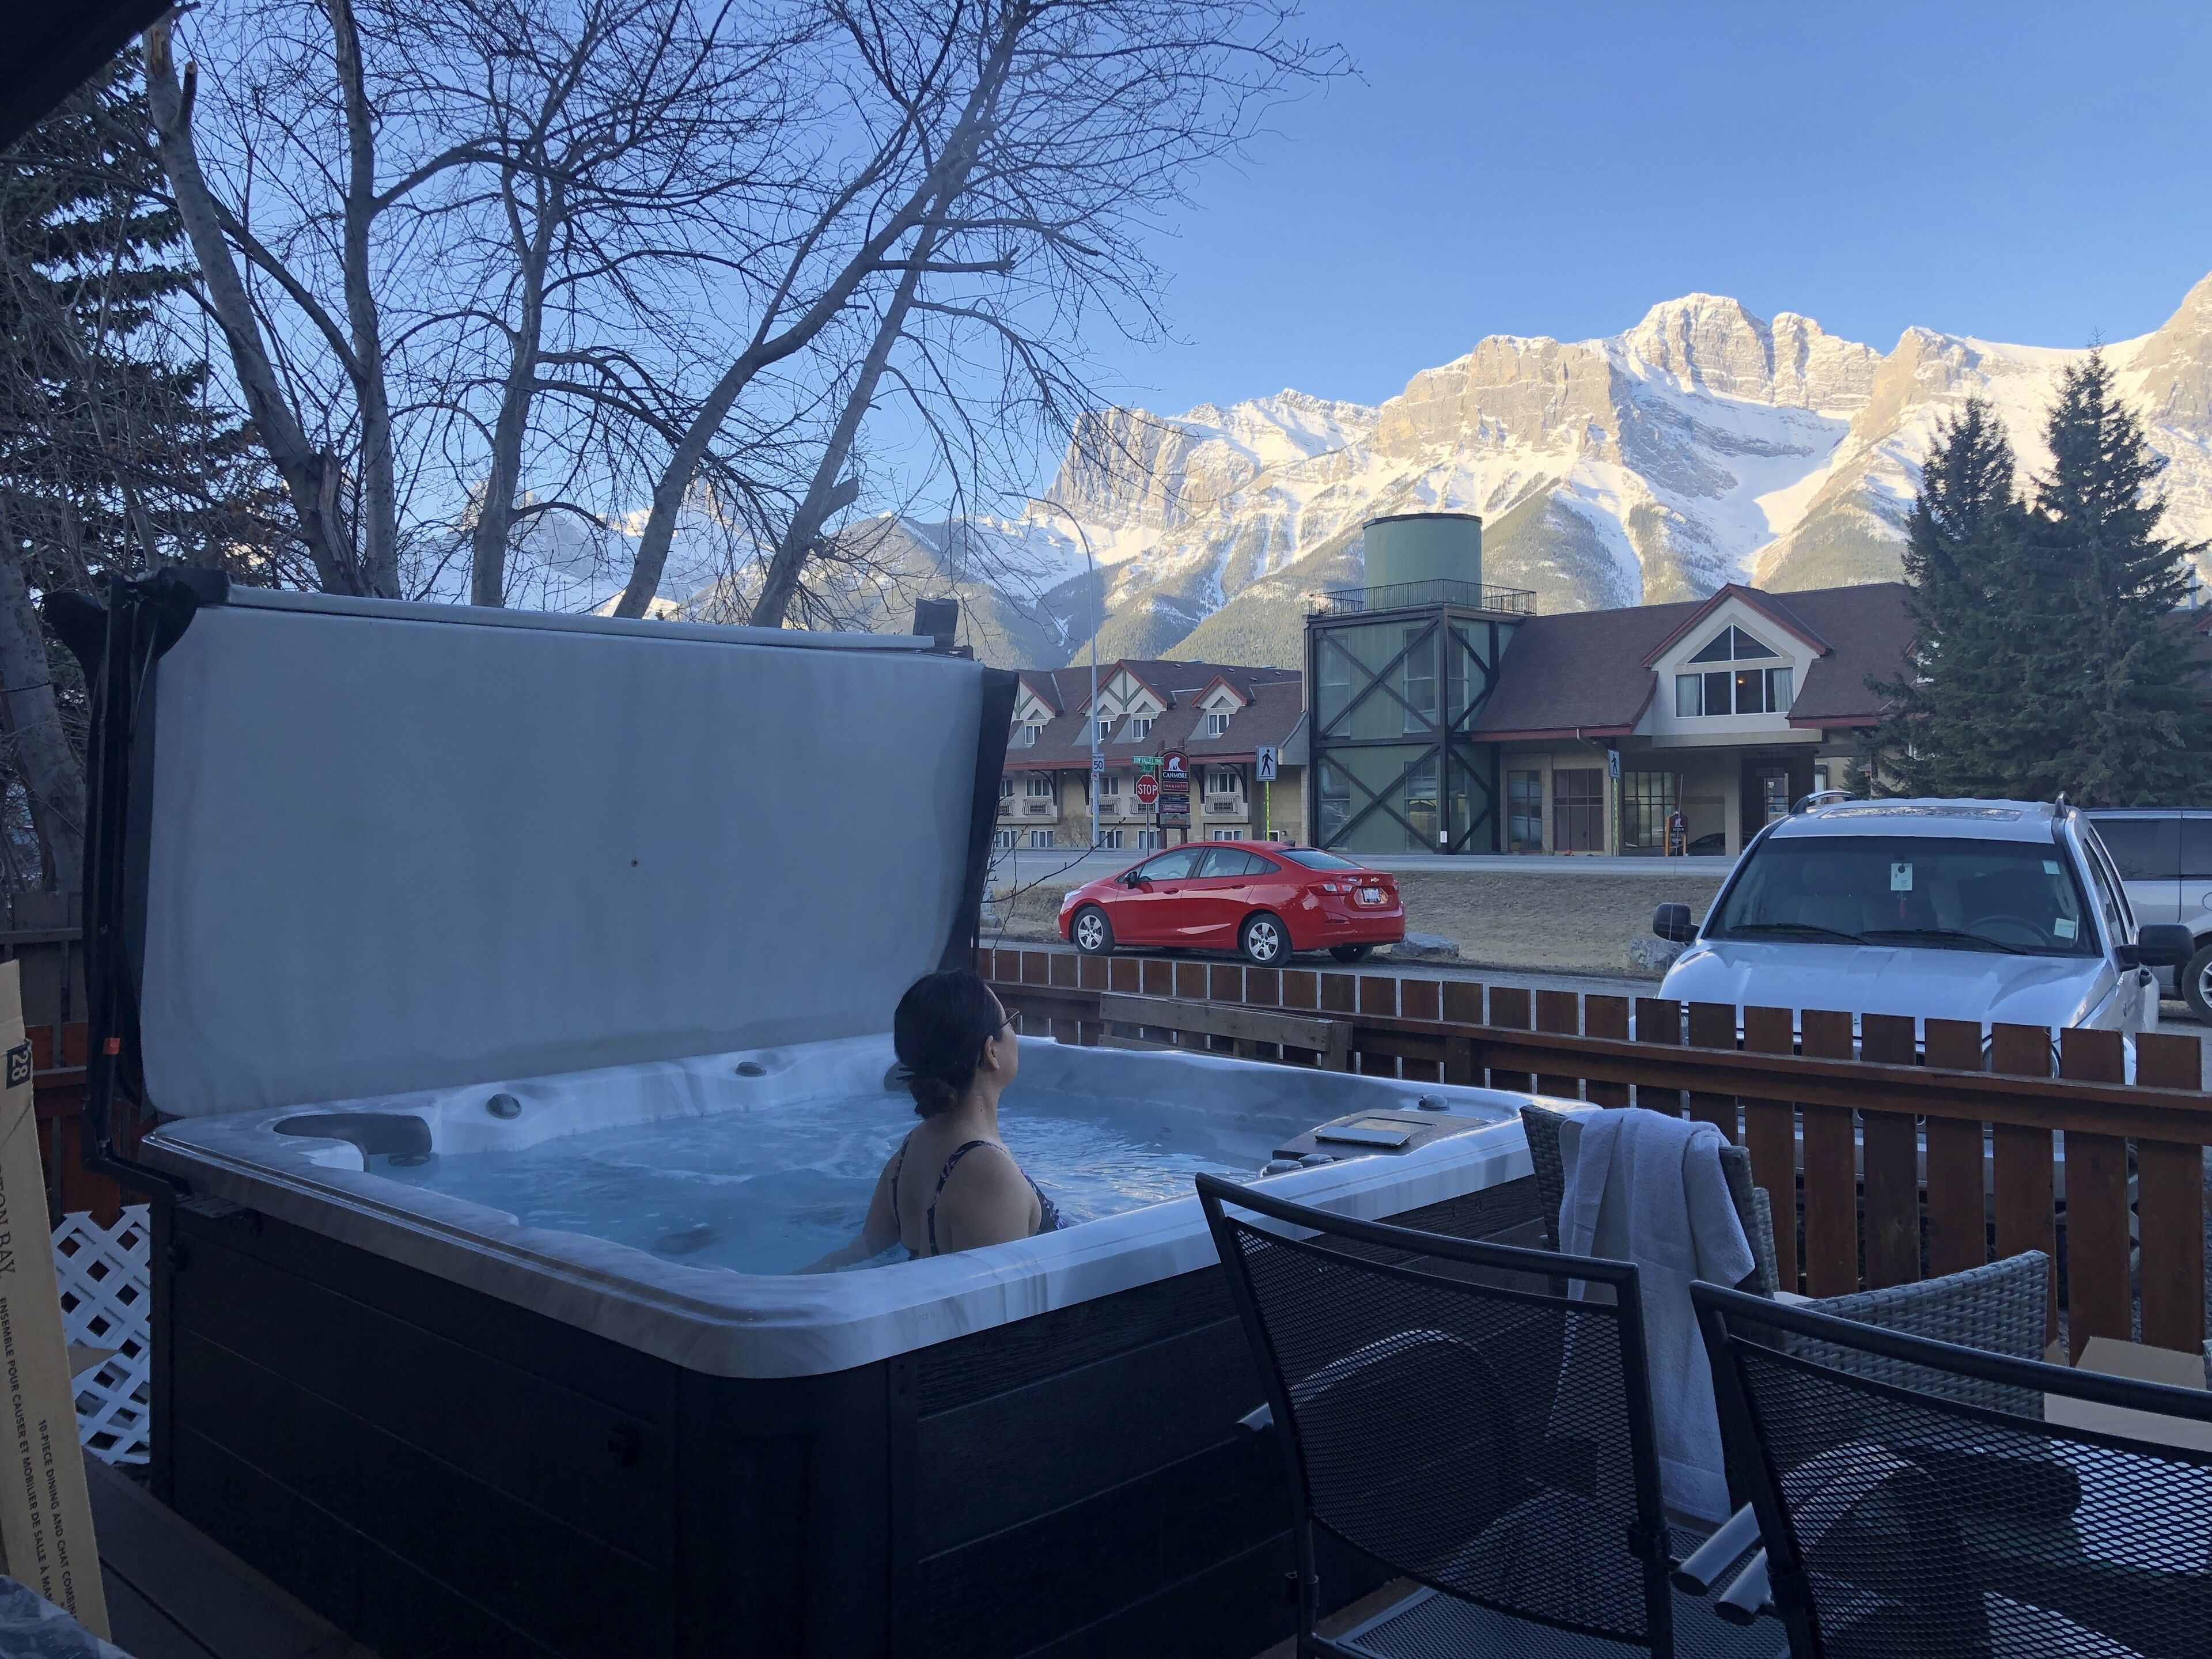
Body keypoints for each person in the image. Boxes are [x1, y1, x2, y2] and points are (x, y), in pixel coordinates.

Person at [802, 969, 1062, 1271]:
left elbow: (868, 1246)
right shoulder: (989, 1176)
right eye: (1009, 1022)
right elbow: (998, 1298)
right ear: (991, 1051)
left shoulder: (913, 1149)